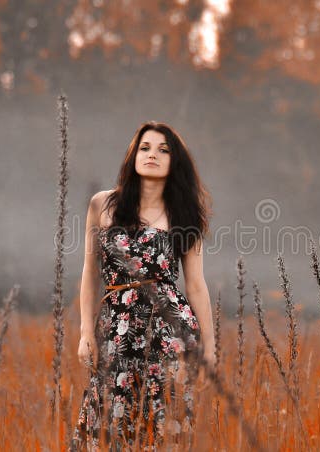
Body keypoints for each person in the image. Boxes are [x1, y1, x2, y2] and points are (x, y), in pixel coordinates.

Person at [72, 121, 216, 449]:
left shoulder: (184, 214)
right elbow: (90, 273)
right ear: (133, 155)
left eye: (163, 150)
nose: (152, 155)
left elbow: (195, 285)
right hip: (115, 328)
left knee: (164, 425)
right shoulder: (103, 205)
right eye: (145, 147)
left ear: (174, 162)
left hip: (169, 332)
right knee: (105, 419)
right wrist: (84, 333)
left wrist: (210, 349)